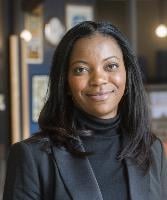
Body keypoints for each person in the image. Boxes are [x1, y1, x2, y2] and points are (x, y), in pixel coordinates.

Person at [3, 21, 167, 200]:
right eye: (81, 69)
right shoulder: (31, 157)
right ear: (65, 82)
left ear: (127, 74)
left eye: (111, 66)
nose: (98, 79)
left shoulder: (152, 149)